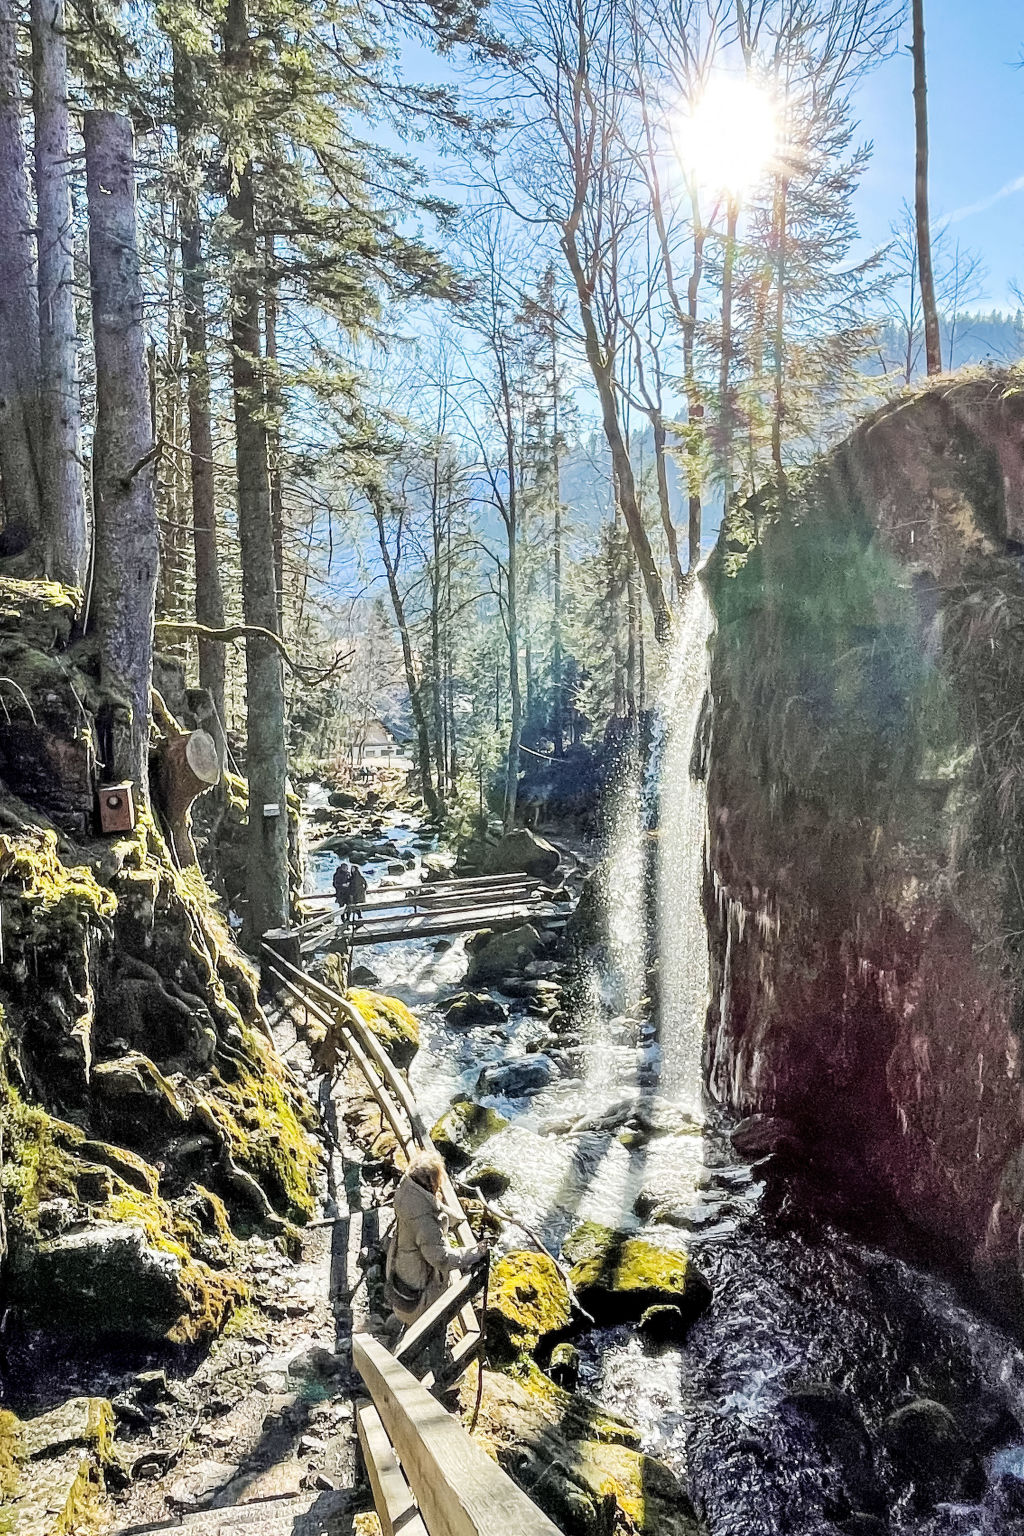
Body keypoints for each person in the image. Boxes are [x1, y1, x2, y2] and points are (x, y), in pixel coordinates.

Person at [384, 1150, 487, 1384]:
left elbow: (434, 1208)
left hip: (402, 1267)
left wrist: (452, 1216)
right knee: (437, 1321)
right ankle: (442, 1377)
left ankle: (406, 1344)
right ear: (432, 1182)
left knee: (417, 1318)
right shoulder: (424, 1217)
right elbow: (440, 1258)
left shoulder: (407, 1188)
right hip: (420, 1282)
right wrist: (474, 1253)